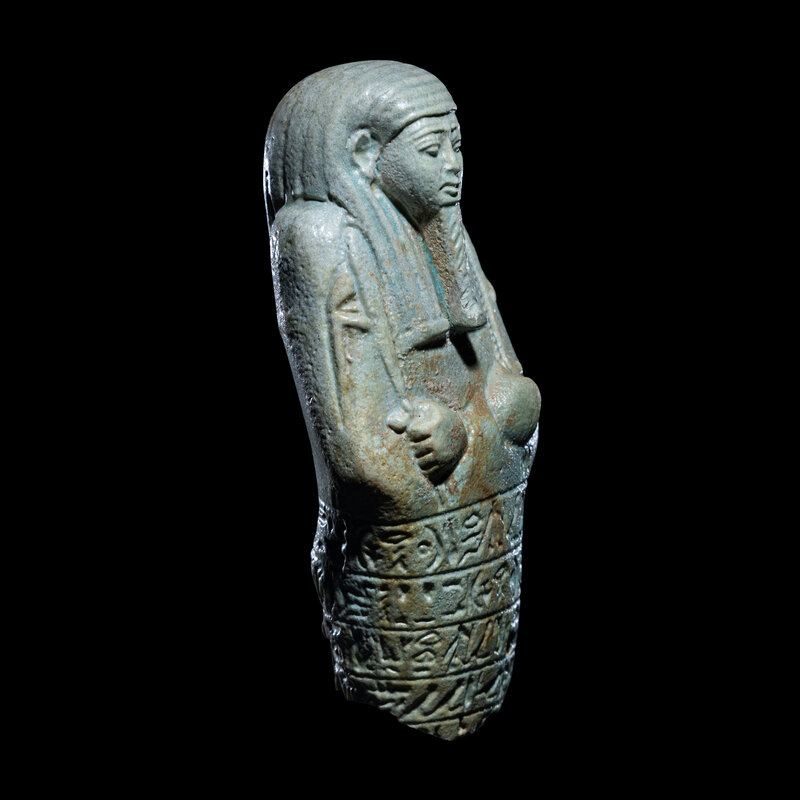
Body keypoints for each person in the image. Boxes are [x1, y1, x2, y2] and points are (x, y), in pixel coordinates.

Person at [265, 61, 540, 739]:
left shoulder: (440, 226)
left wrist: (482, 425)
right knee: (414, 695)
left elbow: (513, 393)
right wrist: (466, 436)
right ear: (364, 155)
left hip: (479, 537)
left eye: (458, 147)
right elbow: (362, 457)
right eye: (431, 150)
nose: (453, 167)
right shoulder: (321, 239)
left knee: (472, 675)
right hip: (402, 554)